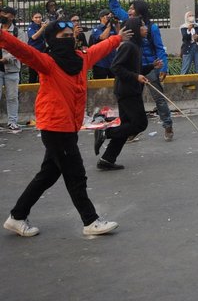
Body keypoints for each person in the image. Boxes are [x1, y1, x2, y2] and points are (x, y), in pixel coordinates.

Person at [1, 19, 132, 237]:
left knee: (48, 174)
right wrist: (2, 36)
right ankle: (90, 220)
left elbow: (99, 49)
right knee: (75, 174)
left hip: (69, 125)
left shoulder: (80, 59)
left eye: (71, 35)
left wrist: (117, 38)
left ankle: (17, 216)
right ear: (52, 40)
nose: (69, 39)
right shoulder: (47, 62)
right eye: (63, 37)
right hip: (54, 126)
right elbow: (22, 49)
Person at [108, 0, 174, 141]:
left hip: (150, 68)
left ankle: (167, 125)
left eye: (132, 8)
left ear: (140, 11)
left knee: (159, 98)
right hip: (134, 70)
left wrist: (163, 67)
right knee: (132, 101)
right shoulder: (129, 22)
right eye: (129, 8)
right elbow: (115, 7)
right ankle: (130, 130)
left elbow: (159, 48)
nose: (129, 10)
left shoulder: (151, 28)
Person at [94, 17, 161, 170]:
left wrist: (151, 66)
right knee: (140, 123)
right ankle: (106, 133)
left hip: (130, 90)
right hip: (127, 92)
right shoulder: (129, 46)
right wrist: (135, 77)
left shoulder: (136, 47)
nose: (146, 29)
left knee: (126, 126)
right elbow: (116, 67)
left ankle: (107, 159)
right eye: (143, 26)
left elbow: (134, 70)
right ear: (136, 29)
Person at [0, 6, 21, 133]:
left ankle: (13, 122)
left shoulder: (18, 32)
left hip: (12, 69)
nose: (2, 15)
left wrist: (7, 58)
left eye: (5, 13)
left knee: (12, 97)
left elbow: (22, 49)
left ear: (11, 17)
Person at [89, 9, 118, 79]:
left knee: (115, 84)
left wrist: (116, 22)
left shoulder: (112, 28)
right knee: (99, 86)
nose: (109, 17)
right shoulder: (96, 29)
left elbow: (119, 35)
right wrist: (109, 26)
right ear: (101, 17)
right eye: (107, 15)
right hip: (100, 63)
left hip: (112, 61)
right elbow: (103, 37)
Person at [27, 12, 48, 83]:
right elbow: (34, 37)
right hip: (33, 53)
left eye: (40, 17)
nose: (38, 19)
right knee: (33, 73)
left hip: (43, 52)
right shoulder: (31, 27)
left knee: (42, 74)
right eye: (36, 17)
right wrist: (42, 28)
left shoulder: (43, 26)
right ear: (32, 19)